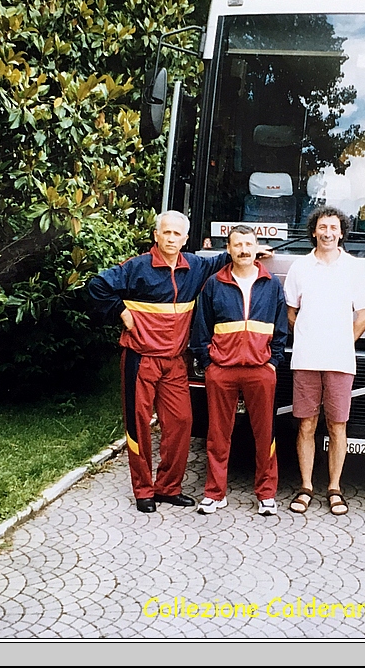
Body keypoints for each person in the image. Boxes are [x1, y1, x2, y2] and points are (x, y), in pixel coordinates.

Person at [86, 211, 232, 513]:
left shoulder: (195, 266)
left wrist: (250, 249)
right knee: (138, 426)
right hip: (140, 359)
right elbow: (96, 286)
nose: (170, 238)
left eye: (177, 234)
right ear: (156, 235)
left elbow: (223, 260)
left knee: (181, 423)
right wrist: (119, 311)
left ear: (185, 239)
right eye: (166, 233)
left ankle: (168, 488)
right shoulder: (137, 267)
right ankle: (143, 491)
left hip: (175, 362)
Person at [189, 225, 288, 515]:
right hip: (222, 370)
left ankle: (266, 494)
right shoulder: (214, 284)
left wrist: (273, 361)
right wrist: (209, 364)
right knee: (218, 435)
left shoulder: (270, 283)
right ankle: (214, 493)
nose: (244, 250)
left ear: (256, 247)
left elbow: (281, 328)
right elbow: (201, 329)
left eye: (248, 244)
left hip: (260, 369)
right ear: (228, 249)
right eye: (238, 245)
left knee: (264, 433)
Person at [283, 206, 365, 516]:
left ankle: (334, 487)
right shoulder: (299, 267)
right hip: (306, 360)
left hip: (340, 362)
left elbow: (364, 315)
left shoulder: (353, 268)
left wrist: (340, 342)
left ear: (341, 233)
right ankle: (306, 486)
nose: (328, 232)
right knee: (306, 425)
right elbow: (291, 312)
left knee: (338, 426)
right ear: (314, 231)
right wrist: (310, 338)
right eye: (323, 227)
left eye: (333, 227)